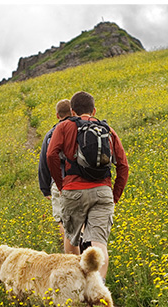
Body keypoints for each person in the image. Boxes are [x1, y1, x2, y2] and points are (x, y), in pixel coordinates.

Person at [46, 91, 129, 282]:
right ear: (94, 110)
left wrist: (61, 185)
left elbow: (51, 155)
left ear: (73, 111)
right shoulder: (107, 130)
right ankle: (98, 292)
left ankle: (77, 285)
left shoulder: (65, 126)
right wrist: (114, 195)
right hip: (103, 192)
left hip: (72, 190)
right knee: (99, 244)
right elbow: (123, 166)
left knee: (72, 237)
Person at [38, 99, 73, 251]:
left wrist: (45, 188)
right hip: (79, 180)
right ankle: (83, 249)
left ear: (57, 115)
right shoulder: (79, 128)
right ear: (73, 112)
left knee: (62, 221)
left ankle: (68, 254)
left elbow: (44, 162)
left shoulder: (50, 134)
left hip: (58, 183)